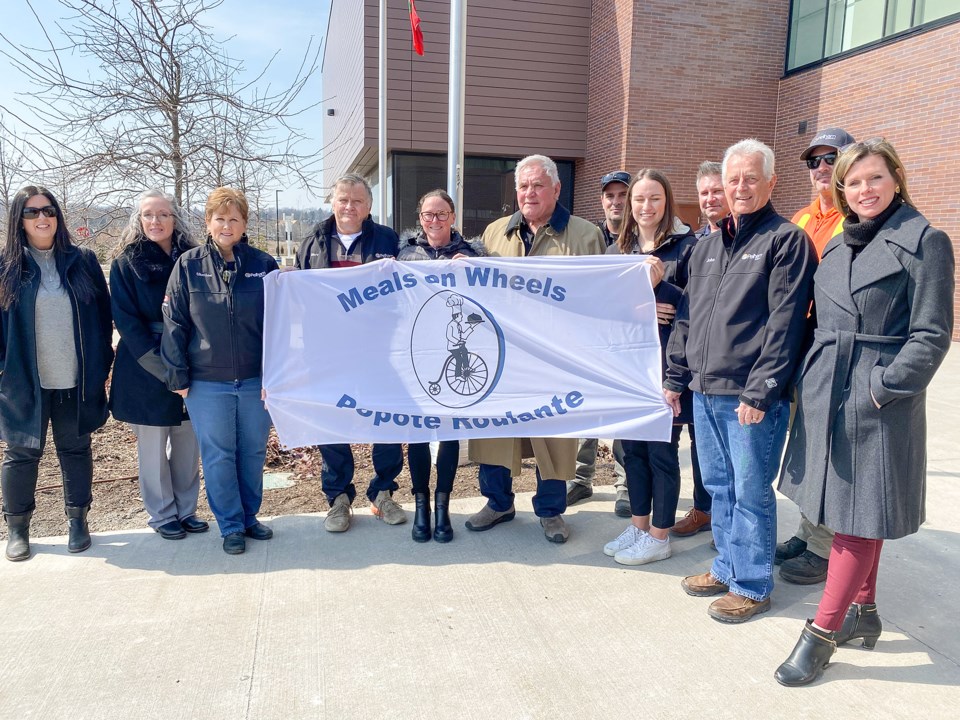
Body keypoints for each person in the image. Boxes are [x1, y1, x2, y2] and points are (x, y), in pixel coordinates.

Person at [774, 138, 954, 686]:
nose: (865, 190)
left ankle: (821, 633)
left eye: (874, 178)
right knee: (851, 512)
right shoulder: (835, 243)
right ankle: (865, 614)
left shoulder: (925, 242)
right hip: (828, 387)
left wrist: (884, 387)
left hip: (879, 402)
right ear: (842, 191)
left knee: (858, 516)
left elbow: (932, 335)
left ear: (896, 178)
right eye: (853, 182)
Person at [664, 139, 817, 622]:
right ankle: (728, 566)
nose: (741, 187)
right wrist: (675, 378)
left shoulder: (785, 240)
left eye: (751, 178)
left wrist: (761, 389)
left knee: (750, 490)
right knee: (719, 485)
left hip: (749, 398)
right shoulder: (706, 246)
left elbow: (786, 322)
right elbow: (686, 319)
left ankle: (752, 583)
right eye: (733, 179)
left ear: (771, 182)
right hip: (705, 392)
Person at [465, 154, 606, 544]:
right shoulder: (494, 234)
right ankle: (498, 502)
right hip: (502, 358)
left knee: (555, 437)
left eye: (538, 185)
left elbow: (599, 296)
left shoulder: (585, 236)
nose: (529, 192)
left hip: (555, 359)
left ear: (556, 189)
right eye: (523, 186)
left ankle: (550, 511)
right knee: (494, 431)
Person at [161, 187, 278, 555]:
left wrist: (278, 375)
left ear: (245, 224)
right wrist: (178, 376)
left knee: (253, 451)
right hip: (206, 382)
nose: (227, 225)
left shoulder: (263, 265)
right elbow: (174, 322)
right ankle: (230, 525)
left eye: (234, 219)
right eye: (219, 218)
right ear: (208, 222)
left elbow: (282, 323)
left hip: (257, 380)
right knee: (218, 454)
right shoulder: (188, 265)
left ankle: (249, 518)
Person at [0, 185, 113, 561]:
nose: (42, 218)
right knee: (21, 454)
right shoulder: (6, 267)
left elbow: (101, 318)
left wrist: (100, 367)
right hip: (24, 382)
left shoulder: (82, 261)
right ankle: (18, 528)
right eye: (31, 212)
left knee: (76, 449)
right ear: (19, 220)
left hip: (74, 380)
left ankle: (78, 520)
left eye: (48, 210)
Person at [295, 173, 405, 532]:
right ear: (332, 201)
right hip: (327, 351)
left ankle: (383, 492)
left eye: (357, 201)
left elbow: (406, 291)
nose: (349, 207)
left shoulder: (387, 240)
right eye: (343, 199)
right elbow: (297, 297)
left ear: (368, 207)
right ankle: (338, 498)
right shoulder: (311, 242)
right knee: (332, 422)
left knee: (386, 419)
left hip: (378, 350)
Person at [603, 169, 696, 565]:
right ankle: (639, 525)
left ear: (667, 202)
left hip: (664, 370)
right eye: (639, 199)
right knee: (632, 452)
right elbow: (602, 310)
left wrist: (661, 288)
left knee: (662, 453)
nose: (645, 206)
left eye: (654, 198)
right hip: (628, 372)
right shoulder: (614, 253)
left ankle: (660, 534)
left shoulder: (686, 249)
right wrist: (642, 303)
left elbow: (696, 309)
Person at [776, 127, 856, 586]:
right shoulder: (802, 220)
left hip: (835, 349)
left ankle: (826, 548)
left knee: (829, 450)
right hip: (803, 347)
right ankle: (809, 533)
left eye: (832, 159)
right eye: (814, 161)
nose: (822, 168)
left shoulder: (859, 221)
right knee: (807, 447)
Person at [109, 190, 207, 541]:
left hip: (191, 359)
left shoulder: (195, 258)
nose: (156, 221)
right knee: (152, 447)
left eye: (163, 214)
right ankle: (163, 513)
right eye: (148, 215)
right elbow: (127, 323)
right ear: (139, 220)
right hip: (145, 365)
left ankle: (187, 510)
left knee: (187, 443)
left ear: (175, 218)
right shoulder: (125, 263)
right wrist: (165, 369)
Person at [398, 189, 484, 543]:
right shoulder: (404, 254)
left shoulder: (475, 254)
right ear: (420, 218)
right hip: (416, 348)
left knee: (449, 433)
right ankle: (422, 506)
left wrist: (475, 269)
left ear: (453, 217)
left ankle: (443, 506)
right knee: (417, 433)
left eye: (442, 214)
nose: (434, 220)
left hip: (457, 341)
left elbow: (494, 296)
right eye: (428, 214)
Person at [668, 161, 729, 538]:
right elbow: (689, 303)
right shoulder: (697, 243)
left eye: (716, 190)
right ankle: (704, 510)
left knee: (713, 449)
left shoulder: (750, 240)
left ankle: (712, 512)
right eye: (704, 192)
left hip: (725, 362)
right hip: (689, 355)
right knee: (699, 443)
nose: (710, 198)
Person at [567, 171, 630, 515]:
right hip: (589, 339)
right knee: (584, 410)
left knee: (622, 414)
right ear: (602, 200)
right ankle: (581, 479)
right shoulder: (591, 237)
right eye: (610, 196)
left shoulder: (642, 239)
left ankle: (624, 485)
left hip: (624, 342)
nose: (616, 201)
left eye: (623, 195)